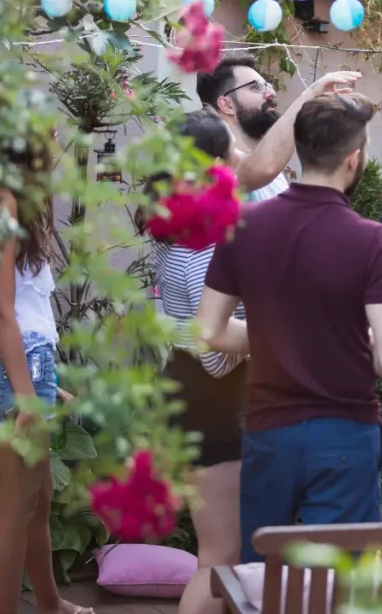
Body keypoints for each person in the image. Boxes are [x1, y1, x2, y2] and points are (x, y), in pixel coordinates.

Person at [196, 92, 382, 563]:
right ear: (353, 159)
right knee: (337, 580)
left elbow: (210, 332)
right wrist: (364, 343)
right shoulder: (369, 239)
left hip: (269, 430)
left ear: (300, 149)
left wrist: (276, 335)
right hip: (345, 432)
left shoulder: (243, 222)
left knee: (260, 577)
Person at [0, 141, 92, 614]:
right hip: (14, 371)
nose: (56, 143)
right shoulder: (1, 204)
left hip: (30, 368)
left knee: (38, 499)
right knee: (16, 508)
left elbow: (23, 310)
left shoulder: (15, 201)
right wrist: (26, 396)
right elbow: (0, 312)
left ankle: (50, 602)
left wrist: (45, 384)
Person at [134, 107, 248, 614]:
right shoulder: (204, 237)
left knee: (224, 552)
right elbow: (217, 350)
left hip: (187, 386)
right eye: (232, 148)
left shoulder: (178, 220)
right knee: (219, 555)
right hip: (211, 393)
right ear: (216, 160)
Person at [196, 53, 362, 200]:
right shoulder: (212, 161)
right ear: (227, 105)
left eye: (267, 86)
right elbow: (263, 167)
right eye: (255, 87)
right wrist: (309, 94)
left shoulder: (275, 176)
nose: (271, 93)